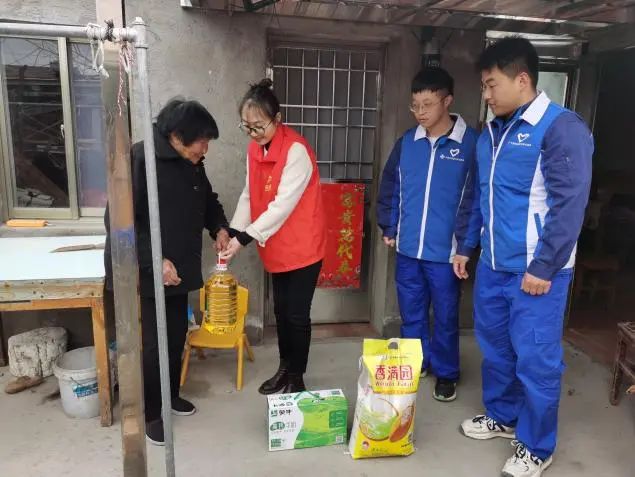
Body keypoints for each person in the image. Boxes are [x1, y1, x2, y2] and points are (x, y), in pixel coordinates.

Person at [453, 37, 593, 477]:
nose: (486, 94)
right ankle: (503, 416)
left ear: (522, 80)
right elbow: (480, 197)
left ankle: (536, 445)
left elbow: (569, 206)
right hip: (494, 266)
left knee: (536, 361)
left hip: (537, 274)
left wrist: (544, 266)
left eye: (491, 84)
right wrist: (465, 246)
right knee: (496, 350)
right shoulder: (492, 133)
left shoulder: (560, 128)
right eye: (483, 86)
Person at [104, 99, 231, 446]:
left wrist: (219, 227)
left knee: (176, 335)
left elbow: (207, 199)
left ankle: (170, 395)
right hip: (146, 268)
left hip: (178, 266)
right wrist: (154, 260)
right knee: (153, 344)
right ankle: (151, 414)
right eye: (201, 141)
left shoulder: (192, 162)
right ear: (176, 135)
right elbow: (120, 220)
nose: (205, 149)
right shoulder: (140, 158)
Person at [376, 67, 478, 402]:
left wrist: (466, 246)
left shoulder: (470, 144)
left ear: (447, 101)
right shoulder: (407, 143)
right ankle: (415, 361)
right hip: (408, 249)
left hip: (446, 254)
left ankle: (446, 373)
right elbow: (391, 186)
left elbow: (475, 199)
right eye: (415, 105)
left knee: (446, 316)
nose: (420, 112)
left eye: (428, 104)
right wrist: (389, 225)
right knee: (412, 312)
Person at [221, 78, 326, 395]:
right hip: (276, 246)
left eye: (259, 126)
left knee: (297, 314)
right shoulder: (254, 149)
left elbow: (282, 206)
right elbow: (249, 194)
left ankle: (297, 376)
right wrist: (233, 231)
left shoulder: (296, 150)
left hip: (303, 246)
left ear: (277, 118)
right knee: (280, 312)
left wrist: (243, 239)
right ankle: (284, 368)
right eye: (247, 127)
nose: (254, 134)